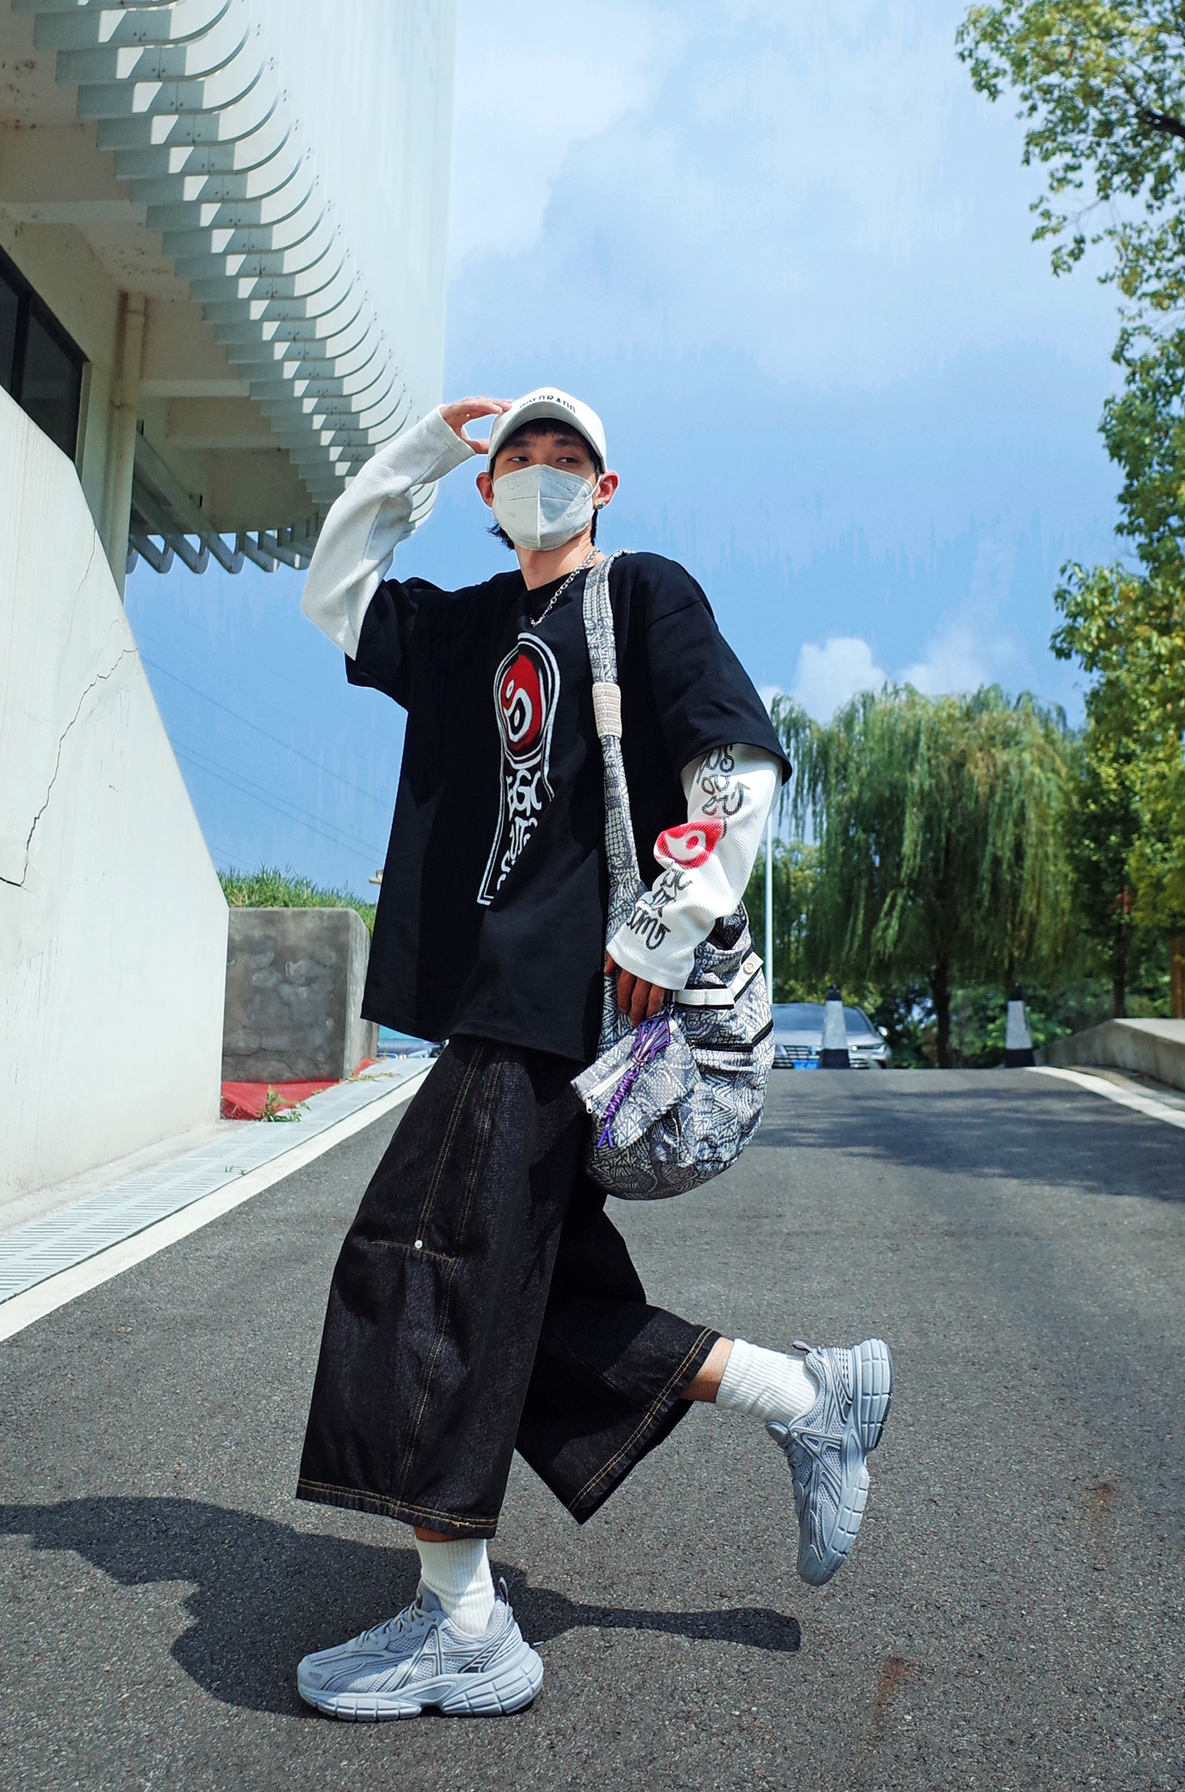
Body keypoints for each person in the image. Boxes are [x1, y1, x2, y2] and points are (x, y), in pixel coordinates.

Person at [293, 389, 893, 1722]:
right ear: (488, 485)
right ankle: (810, 1396)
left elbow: (737, 765)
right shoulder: (464, 627)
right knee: (540, 1302)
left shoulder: (641, 596)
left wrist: (669, 927)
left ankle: (464, 1627)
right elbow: (335, 590)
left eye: (569, 458)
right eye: (521, 456)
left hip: (562, 1012)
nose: (542, 473)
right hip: (494, 1002)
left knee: (426, 1273)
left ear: (605, 489)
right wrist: (422, 450)